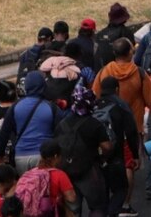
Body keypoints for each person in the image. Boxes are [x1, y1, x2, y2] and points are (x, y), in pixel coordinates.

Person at [91, 38, 151, 216]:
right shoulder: (139, 73)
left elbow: (94, 96)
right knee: (128, 164)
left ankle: (109, 201)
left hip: (106, 128)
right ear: (130, 52)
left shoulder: (104, 72)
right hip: (132, 127)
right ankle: (125, 204)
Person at [55, 86, 111, 217]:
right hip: (89, 170)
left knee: (73, 209)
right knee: (98, 206)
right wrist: (103, 158)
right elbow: (107, 147)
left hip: (66, 172)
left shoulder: (62, 124)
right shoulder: (94, 124)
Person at [0, 72, 61, 175]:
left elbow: (4, 133)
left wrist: (0, 154)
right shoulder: (51, 107)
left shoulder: (15, 107)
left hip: (21, 157)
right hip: (43, 156)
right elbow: (60, 132)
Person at [95, 76, 140, 215]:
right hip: (116, 155)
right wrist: (135, 154)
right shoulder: (121, 105)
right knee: (121, 189)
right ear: (116, 89)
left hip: (96, 157)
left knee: (101, 193)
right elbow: (131, 131)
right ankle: (113, 212)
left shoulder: (93, 105)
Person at [95, 4, 134, 71]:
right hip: (119, 69)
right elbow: (132, 50)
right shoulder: (126, 32)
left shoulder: (100, 34)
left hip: (100, 70)